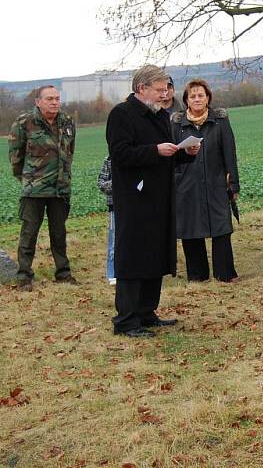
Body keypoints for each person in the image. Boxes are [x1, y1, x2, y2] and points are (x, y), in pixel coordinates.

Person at [106, 65, 200, 338]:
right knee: (134, 257)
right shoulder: (121, 115)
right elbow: (121, 154)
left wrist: (186, 153)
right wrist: (154, 150)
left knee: (155, 254)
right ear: (141, 89)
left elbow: (165, 155)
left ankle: (147, 312)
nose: (164, 95)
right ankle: (126, 320)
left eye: (166, 89)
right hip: (135, 199)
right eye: (159, 90)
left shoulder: (160, 116)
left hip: (160, 197)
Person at [8, 85, 76, 291]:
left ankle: (63, 273)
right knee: (29, 233)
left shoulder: (67, 122)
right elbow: (15, 158)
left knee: (59, 233)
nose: (54, 102)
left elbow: (70, 151)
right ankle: (24, 277)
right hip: (34, 190)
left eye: (57, 98)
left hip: (60, 189)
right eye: (49, 99)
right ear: (38, 101)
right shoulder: (24, 123)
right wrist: (28, 179)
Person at [172, 79, 240, 282]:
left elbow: (230, 152)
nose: (197, 99)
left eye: (201, 95)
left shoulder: (220, 121)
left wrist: (233, 182)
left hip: (216, 182)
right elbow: (172, 155)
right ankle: (197, 275)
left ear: (208, 97)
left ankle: (225, 274)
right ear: (186, 100)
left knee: (221, 228)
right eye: (192, 96)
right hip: (186, 185)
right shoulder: (177, 124)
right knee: (191, 230)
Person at [97, 156, 116, 285]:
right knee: (114, 240)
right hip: (115, 206)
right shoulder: (109, 160)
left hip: (133, 205)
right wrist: (118, 181)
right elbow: (101, 184)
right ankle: (112, 273)